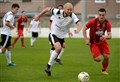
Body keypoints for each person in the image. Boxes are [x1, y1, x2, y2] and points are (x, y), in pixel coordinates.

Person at [37, 2, 82, 76]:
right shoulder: (57, 12)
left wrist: (78, 30)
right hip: (53, 34)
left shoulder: (72, 16)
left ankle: (49, 69)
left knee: (56, 52)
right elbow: (47, 9)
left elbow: (80, 25)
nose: (70, 11)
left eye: (71, 10)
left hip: (61, 37)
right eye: (68, 9)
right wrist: (39, 16)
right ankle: (48, 66)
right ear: (64, 9)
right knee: (58, 48)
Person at [83, 8, 112, 75]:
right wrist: (86, 39)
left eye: (103, 15)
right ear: (98, 15)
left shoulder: (107, 23)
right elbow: (84, 29)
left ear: (105, 15)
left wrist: (105, 37)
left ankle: (103, 70)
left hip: (102, 42)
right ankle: (96, 53)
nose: (101, 16)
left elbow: (110, 36)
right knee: (98, 59)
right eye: (100, 15)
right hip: (94, 43)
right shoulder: (93, 22)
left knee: (106, 57)